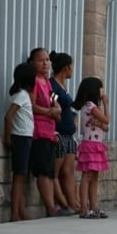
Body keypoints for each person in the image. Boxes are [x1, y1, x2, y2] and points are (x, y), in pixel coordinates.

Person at [27, 48, 62, 217]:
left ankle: (52, 205)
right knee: (42, 170)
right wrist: (49, 112)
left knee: (49, 170)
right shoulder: (33, 81)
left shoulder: (47, 82)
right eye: (41, 60)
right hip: (38, 130)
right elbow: (31, 105)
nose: (45, 63)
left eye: (47, 60)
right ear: (33, 62)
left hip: (50, 130)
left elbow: (52, 101)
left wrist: (56, 109)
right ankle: (50, 207)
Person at [3, 62, 36, 222]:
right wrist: (8, 137)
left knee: (22, 177)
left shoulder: (22, 94)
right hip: (21, 137)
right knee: (19, 177)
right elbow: (9, 116)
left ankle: (21, 211)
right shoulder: (22, 95)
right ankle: (15, 214)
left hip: (25, 137)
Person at [73, 77, 110, 219]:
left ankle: (94, 207)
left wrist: (101, 123)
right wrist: (106, 104)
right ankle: (84, 208)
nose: (102, 91)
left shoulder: (93, 107)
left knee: (94, 176)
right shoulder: (90, 106)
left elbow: (105, 126)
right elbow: (107, 120)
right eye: (101, 88)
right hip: (90, 144)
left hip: (96, 144)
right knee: (87, 175)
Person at [50, 51, 79, 215]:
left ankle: (73, 203)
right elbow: (52, 104)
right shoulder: (53, 85)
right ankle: (62, 203)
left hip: (69, 134)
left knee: (68, 172)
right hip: (58, 133)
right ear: (66, 68)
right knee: (56, 172)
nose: (72, 70)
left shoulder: (62, 86)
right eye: (71, 67)